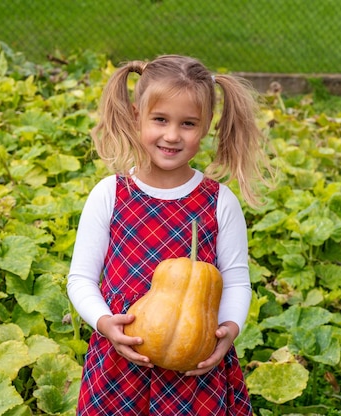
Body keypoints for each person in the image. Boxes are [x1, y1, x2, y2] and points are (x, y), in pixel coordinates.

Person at [67, 54, 271, 415]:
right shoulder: (110, 194)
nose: (172, 135)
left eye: (188, 123)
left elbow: (237, 281)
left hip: (195, 366)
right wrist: (104, 323)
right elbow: (81, 278)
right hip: (120, 359)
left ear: (206, 126)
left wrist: (229, 330)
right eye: (160, 119)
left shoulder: (219, 202)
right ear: (136, 116)